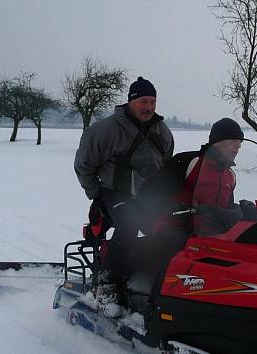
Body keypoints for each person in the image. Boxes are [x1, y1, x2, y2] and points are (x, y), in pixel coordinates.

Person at [74, 76, 174, 314]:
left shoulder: (162, 131)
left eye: (152, 101)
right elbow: (84, 165)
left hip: (149, 196)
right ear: (130, 101)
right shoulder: (106, 130)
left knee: (169, 228)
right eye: (143, 101)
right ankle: (108, 284)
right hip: (114, 192)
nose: (148, 107)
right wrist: (95, 193)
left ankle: (148, 278)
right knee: (129, 225)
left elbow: (167, 163)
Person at [138, 117, 245, 241]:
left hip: (210, 240)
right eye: (234, 141)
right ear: (217, 141)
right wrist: (178, 211)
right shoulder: (189, 162)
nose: (238, 146)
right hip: (174, 238)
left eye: (240, 143)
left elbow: (224, 208)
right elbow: (151, 193)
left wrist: (240, 211)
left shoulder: (230, 174)